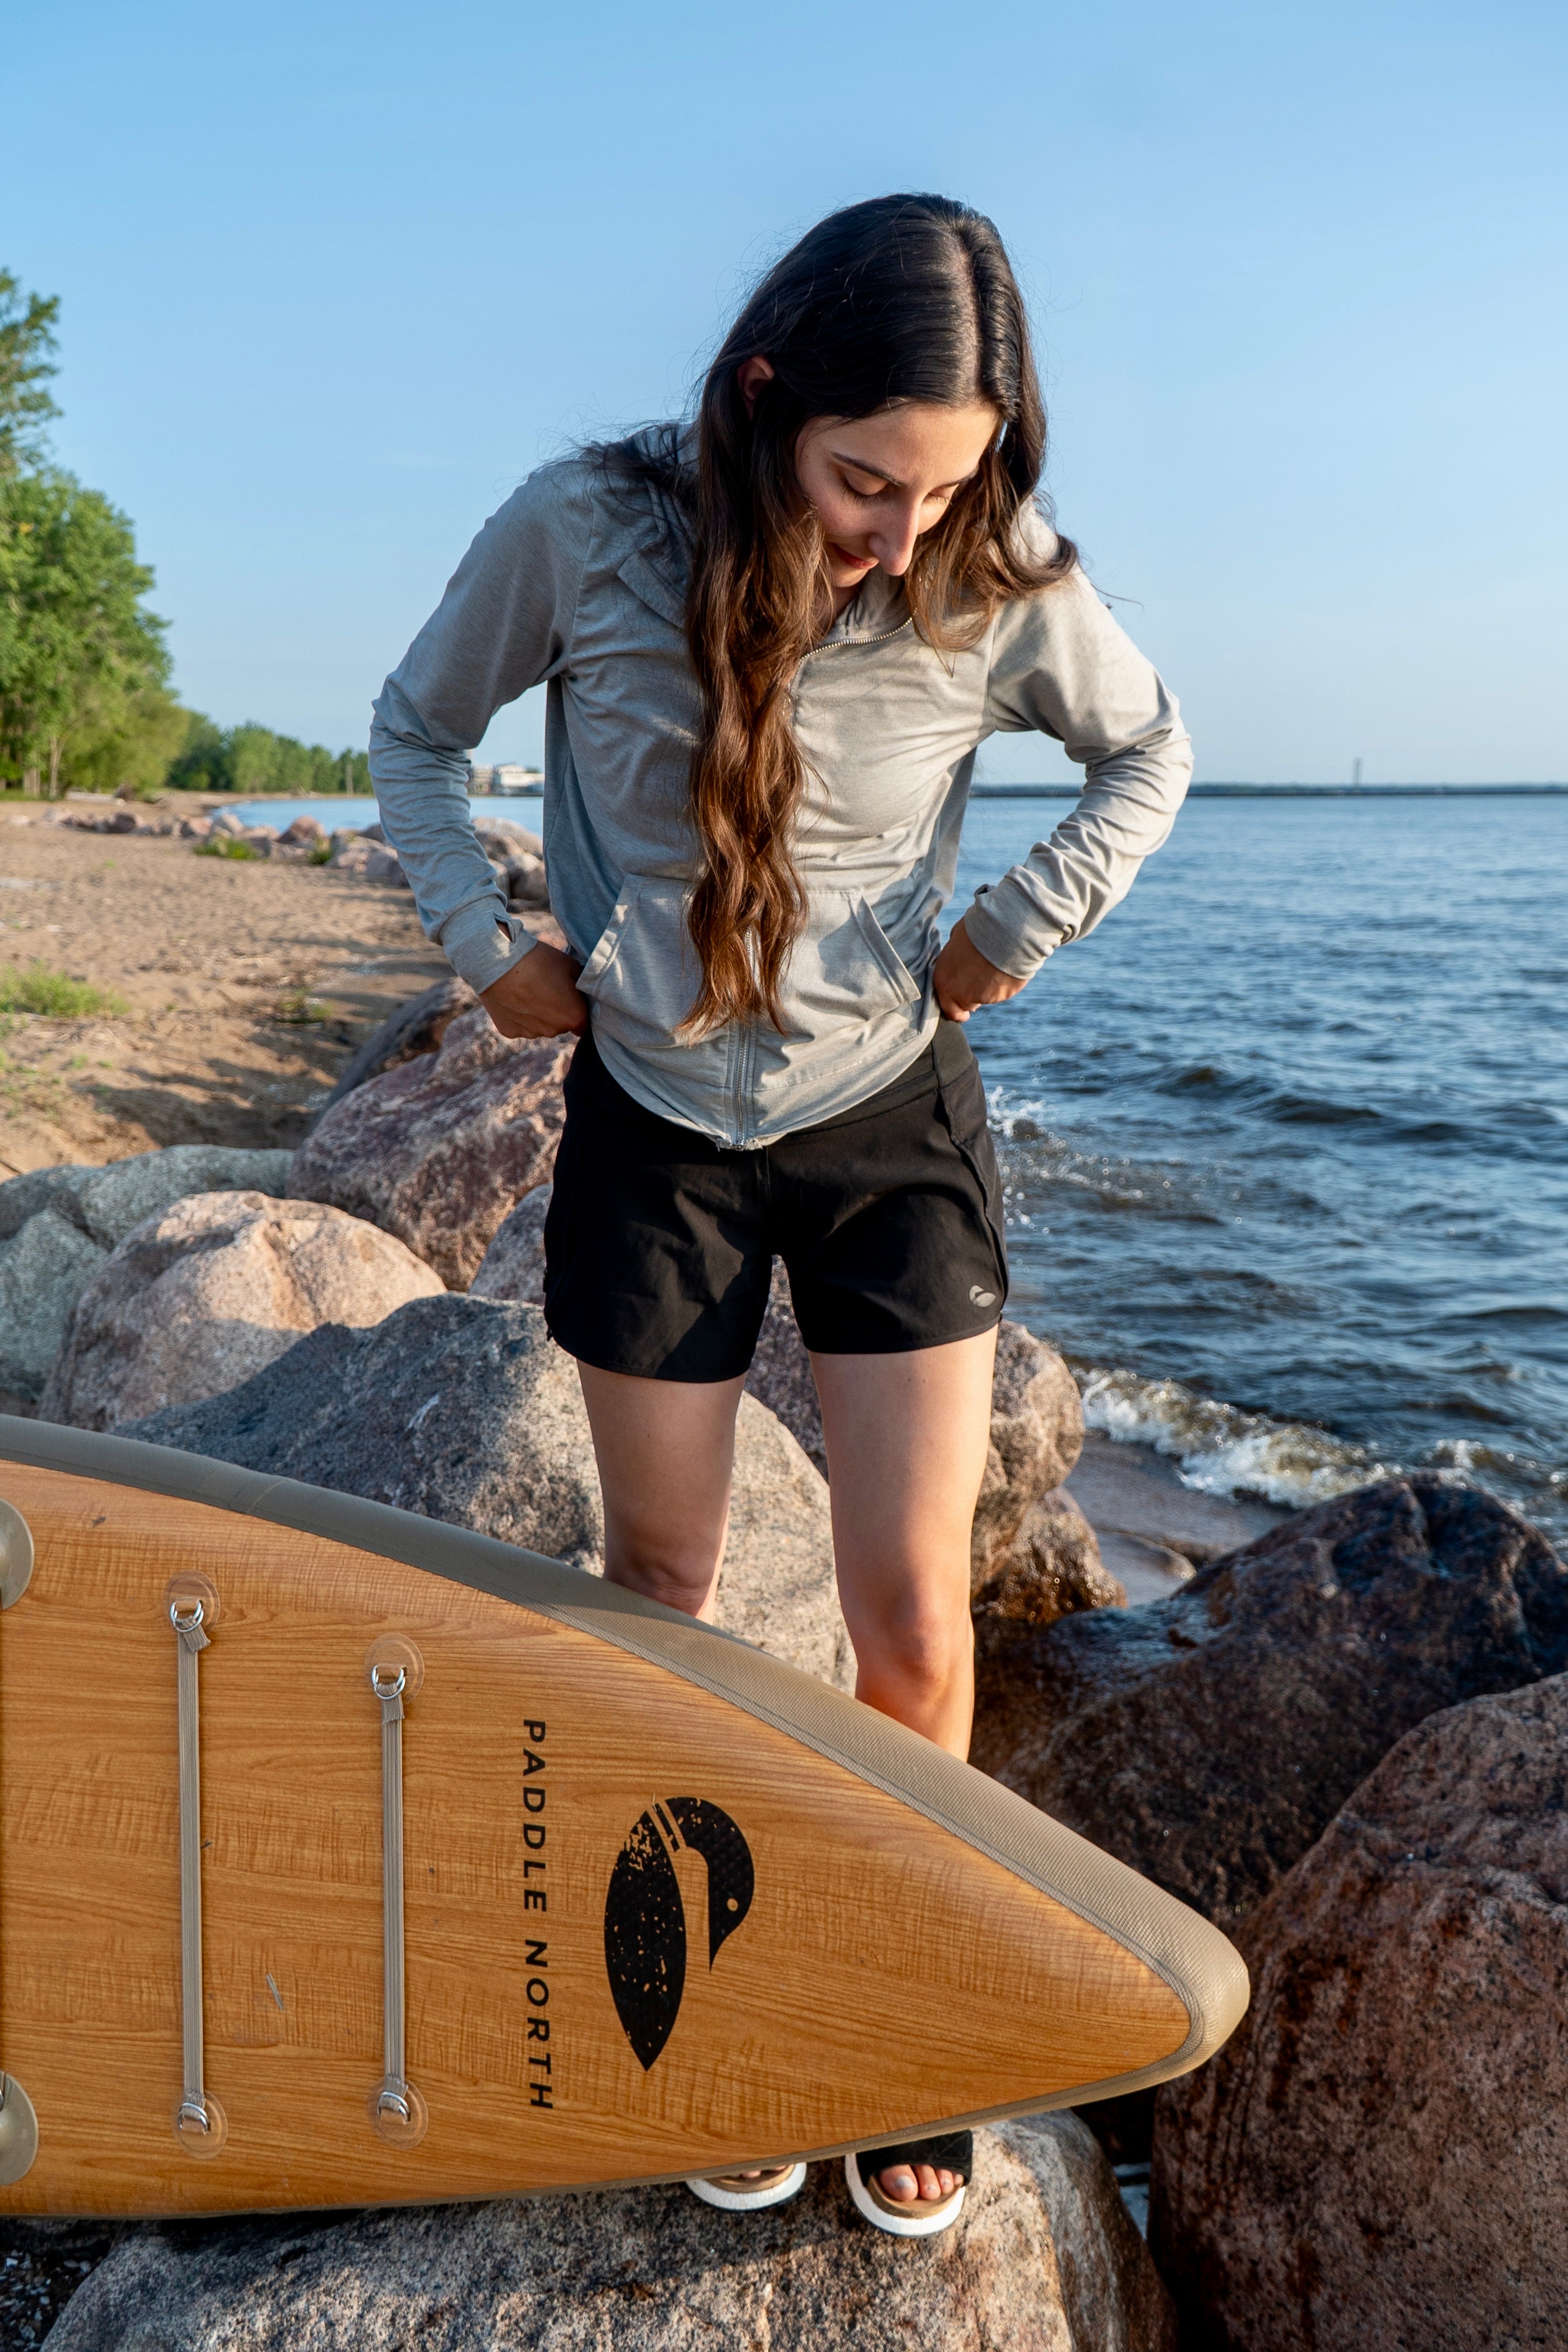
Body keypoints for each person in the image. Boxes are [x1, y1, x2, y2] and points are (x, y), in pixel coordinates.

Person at [370, 192, 1190, 2236]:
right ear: (760, 401)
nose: (901, 535)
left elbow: (1143, 748)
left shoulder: (987, 572)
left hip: (882, 1122)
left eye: (945, 490)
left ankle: (893, 2011)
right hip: (652, 1121)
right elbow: (413, 724)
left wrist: (1013, 926)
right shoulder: (583, 530)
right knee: (664, 1594)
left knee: (915, 1619)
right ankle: (710, 1997)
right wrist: (480, 938)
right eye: (863, 481)